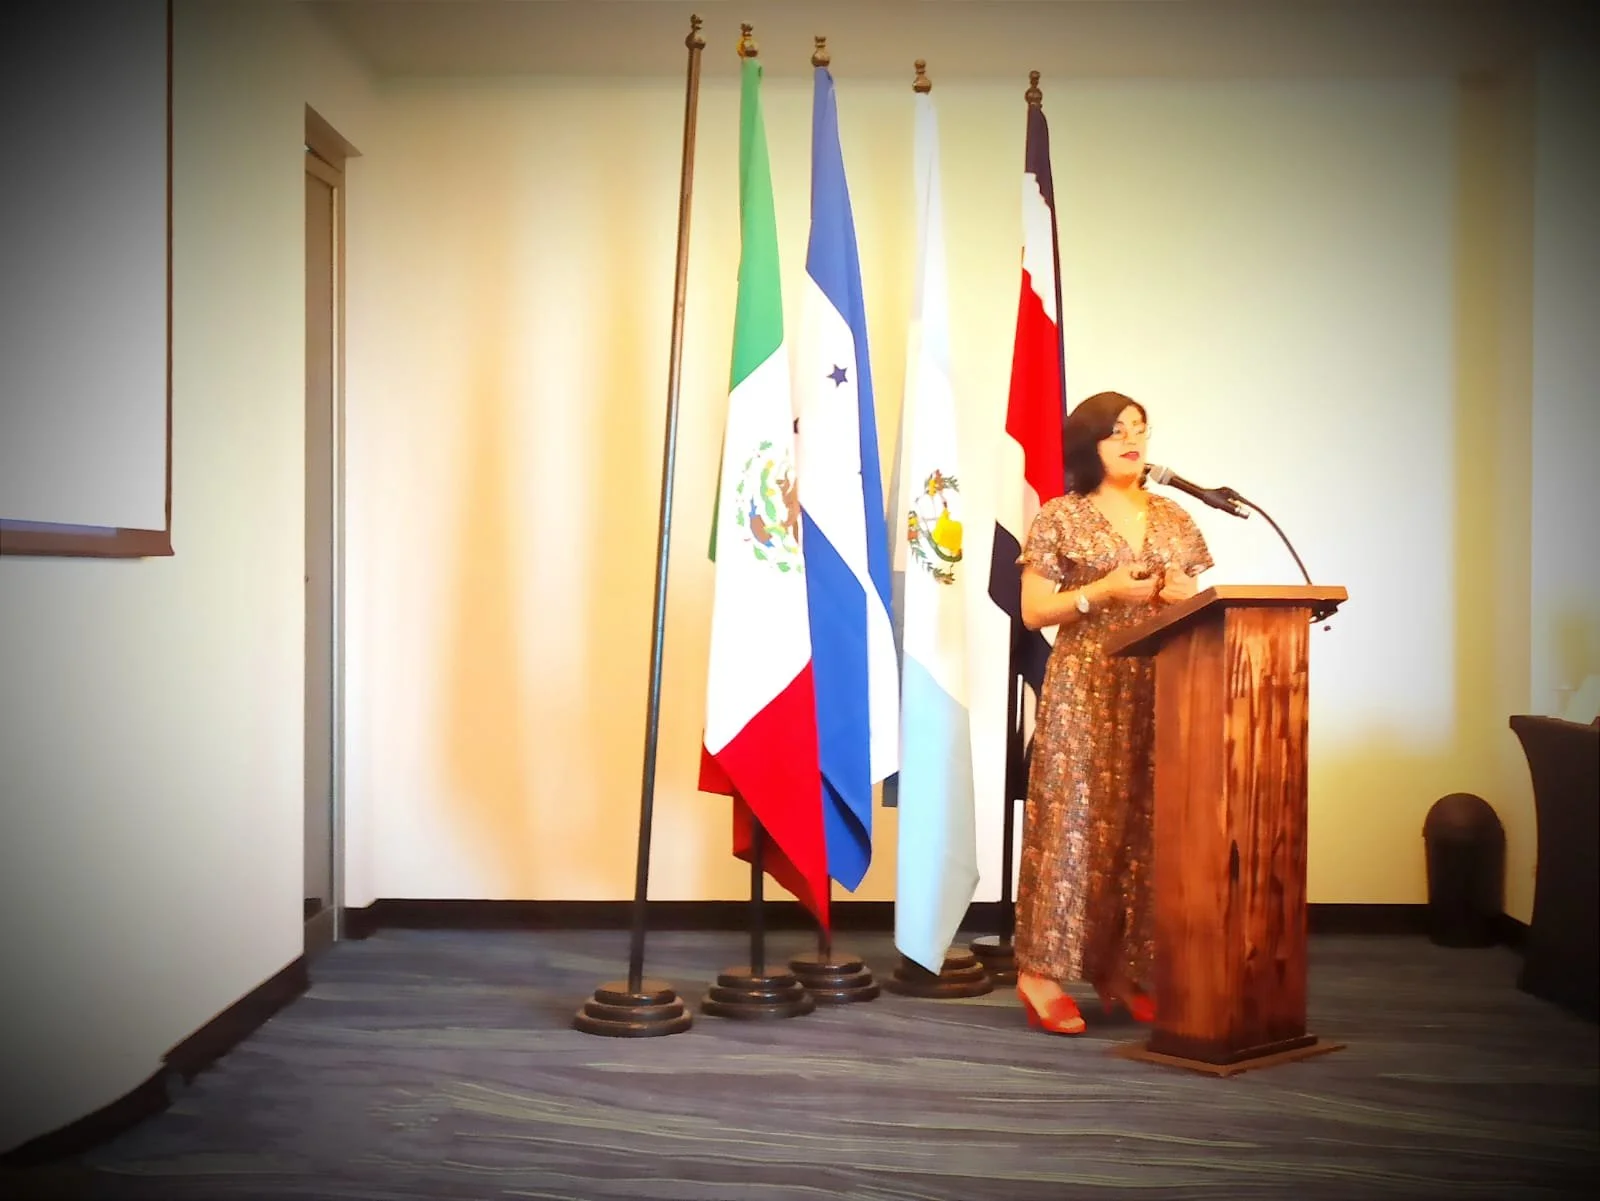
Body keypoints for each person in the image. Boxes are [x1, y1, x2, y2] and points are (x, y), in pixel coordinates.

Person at [1012, 390, 1214, 1035]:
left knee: (1142, 827)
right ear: (1088, 445)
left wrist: (1189, 597)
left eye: (1141, 429)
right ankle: (1039, 972)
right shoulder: (1060, 517)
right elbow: (1035, 610)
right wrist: (1101, 591)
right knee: (1075, 825)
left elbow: (1203, 603)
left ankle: (1118, 969)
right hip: (1086, 687)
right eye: (1117, 430)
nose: (1133, 440)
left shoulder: (1176, 517)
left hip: (1162, 686)